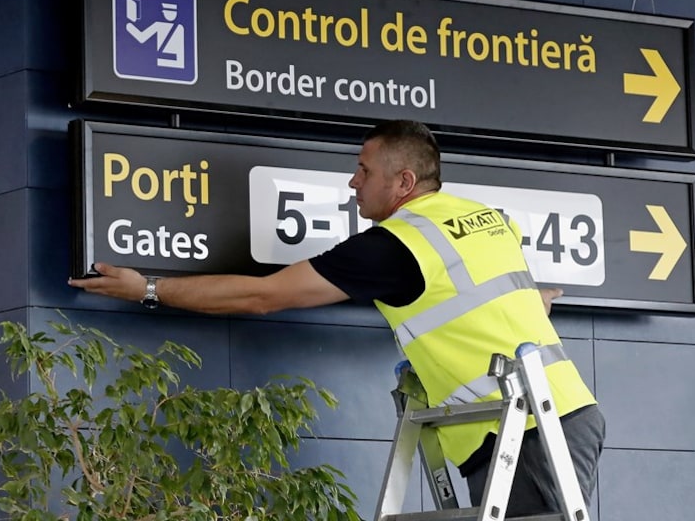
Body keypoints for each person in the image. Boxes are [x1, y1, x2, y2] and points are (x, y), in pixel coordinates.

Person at [69, 119, 604, 516]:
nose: (353, 183)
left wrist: (149, 287)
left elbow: (263, 296)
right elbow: (521, 300)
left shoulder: (397, 245)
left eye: (363, 170)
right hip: (550, 414)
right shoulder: (486, 219)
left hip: (526, 427)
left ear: (403, 182)